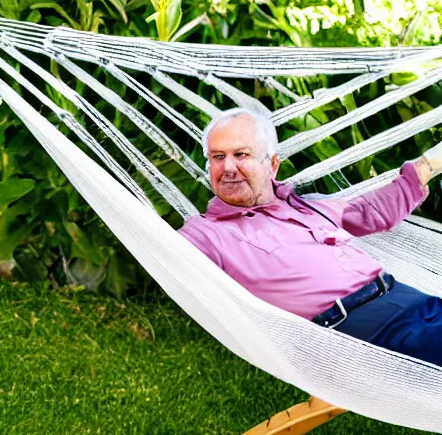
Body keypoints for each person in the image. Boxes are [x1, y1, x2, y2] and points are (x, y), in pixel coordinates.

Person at [179, 108, 442, 366]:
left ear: (272, 165)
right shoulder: (207, 233)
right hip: (361, 332)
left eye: (241, 155)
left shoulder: (308, 206)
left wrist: (428, 164)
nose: (227, 167)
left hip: (412, 301)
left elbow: (371, 213)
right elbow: (169, 256)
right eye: (217, 156)